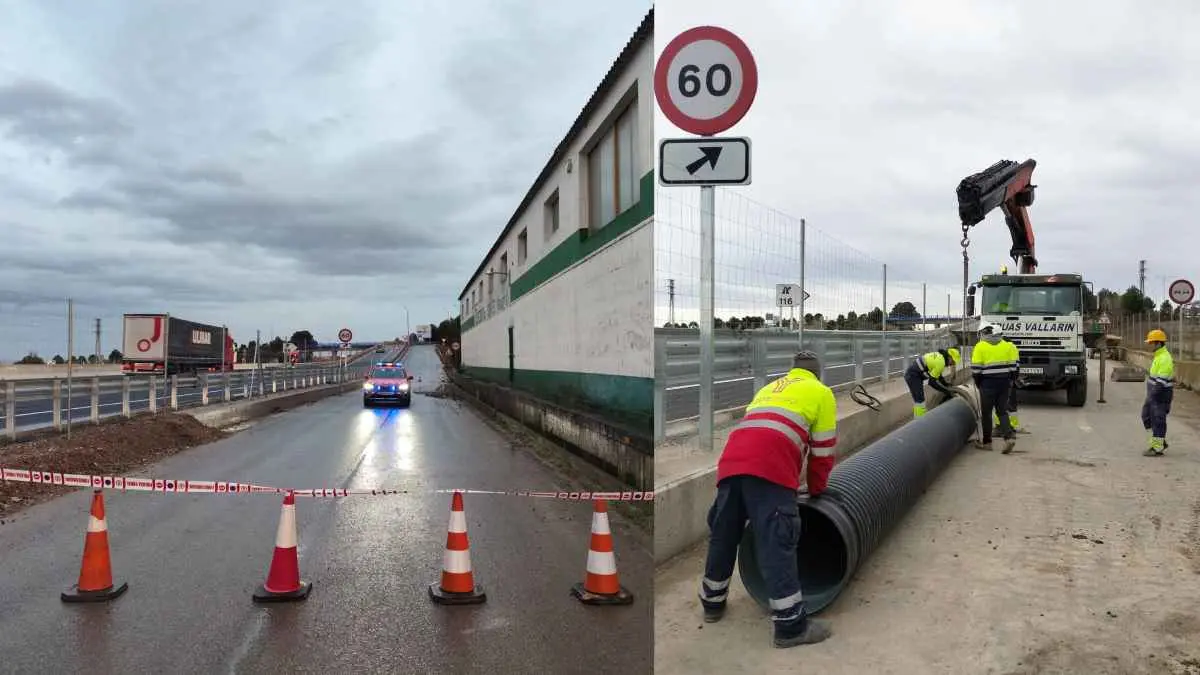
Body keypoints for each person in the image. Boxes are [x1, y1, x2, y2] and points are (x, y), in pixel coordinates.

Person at [698, 351, 836, 648]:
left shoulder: (769, 387)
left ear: (793, 371)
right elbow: (822, 452)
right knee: (776, 541)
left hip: (732, 463)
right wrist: (815, 490)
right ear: (817, 374)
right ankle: (790, 627)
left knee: (724, 534)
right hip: (770, 469)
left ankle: (712, 603)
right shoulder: (821, 393)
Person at [971, 323, 1017, 454]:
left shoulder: (980, 346)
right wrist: (1010, 380)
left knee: (986, 413)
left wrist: (978, 382)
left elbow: (976, 369)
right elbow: (1013, 366)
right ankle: (1008, 438)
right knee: (1002, 411)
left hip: (987, 384)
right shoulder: (1005, 345)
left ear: (982, 334)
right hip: (1004, 382)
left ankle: (987, 443)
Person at [1142, 329, 1174, 457]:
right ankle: (1158, 442)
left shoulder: (1165, 358)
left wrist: (1153, 396)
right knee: (1146, 416)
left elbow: (1161, 382)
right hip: (1153, 394)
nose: (1150, 346)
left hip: (1160, 395)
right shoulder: (1159, 356)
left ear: (1159, 343)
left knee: (1158, 420)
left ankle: (1157, 447)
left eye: (1152, 343)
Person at [904, 347, 961, 418]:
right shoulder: (941, 362)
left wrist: (946, 384)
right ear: (949, 357)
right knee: (920, 400)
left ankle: (917, 419)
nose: (952, 364)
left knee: (918, 401)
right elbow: (932, 382)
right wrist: (946, 391)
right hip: (913, 376)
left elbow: (938, 376)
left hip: (913, 374)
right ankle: (920, 422)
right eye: (953, 361)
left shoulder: (940, 357)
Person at [992, 335, 1029, 434]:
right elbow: (1016, 366)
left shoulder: (998, 348)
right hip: (1009, 379)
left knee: (999, 403)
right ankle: (1012, 427)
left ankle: (999, 427)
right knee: (1012, 403)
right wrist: (1015, 378)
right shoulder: (1013, 348)